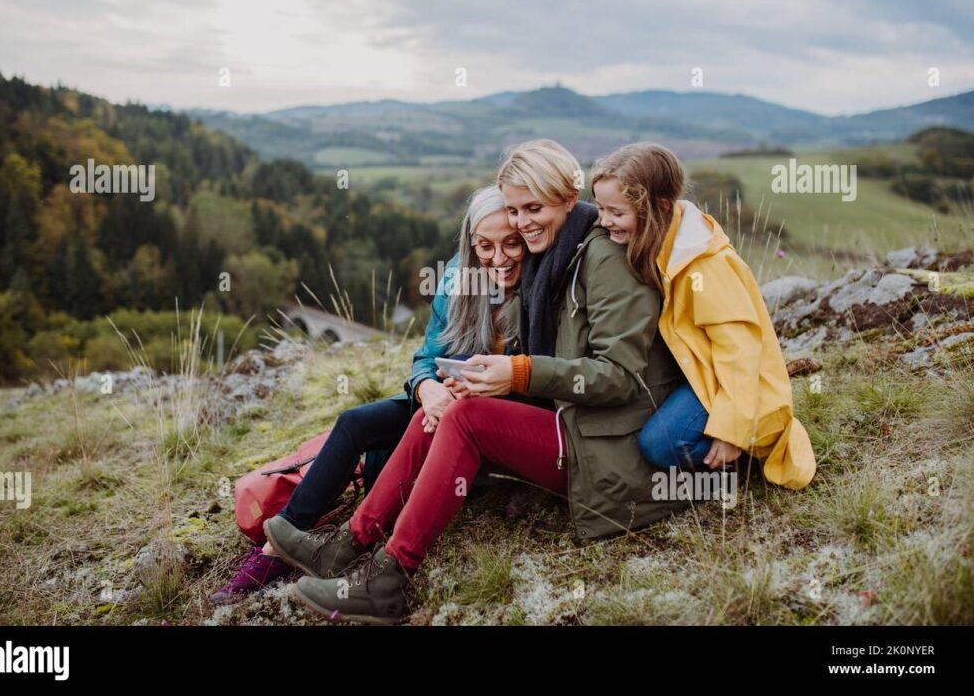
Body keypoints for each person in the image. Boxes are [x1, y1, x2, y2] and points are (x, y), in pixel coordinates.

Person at [277, 139, 685, 624]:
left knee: (467, 418)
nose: (522, 222)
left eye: (533, 208)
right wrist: (469, 379)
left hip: (605, 444)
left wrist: (518, 373)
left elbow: (619, 377)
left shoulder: (604, 259)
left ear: (568, 198)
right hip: (570, 421)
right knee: (451, 407)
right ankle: (348, 544)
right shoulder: (554, 255)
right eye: (514, 210)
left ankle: (390, 576)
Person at [209, 185, 524, 605]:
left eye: (511, 244)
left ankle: (349, 551)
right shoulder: (459, 279)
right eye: (485, 246)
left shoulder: (539, 287)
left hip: (489, 419)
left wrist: (461, 399)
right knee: (355, 422)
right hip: (443, 403)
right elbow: (425, 358)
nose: (499, 258)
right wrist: (428, 389)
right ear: (470, 244)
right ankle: (278, 549)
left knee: (433, 423)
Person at [590, 142, 815, 488]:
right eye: (600, 209)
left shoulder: (704, 268)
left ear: (661, 207)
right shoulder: (657, 242)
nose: (604, 221)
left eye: (616, 213)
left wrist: (731, 432)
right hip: (697, 372)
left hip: (730, 383)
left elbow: (739, 351)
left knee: (660, 445)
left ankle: (735, 456)